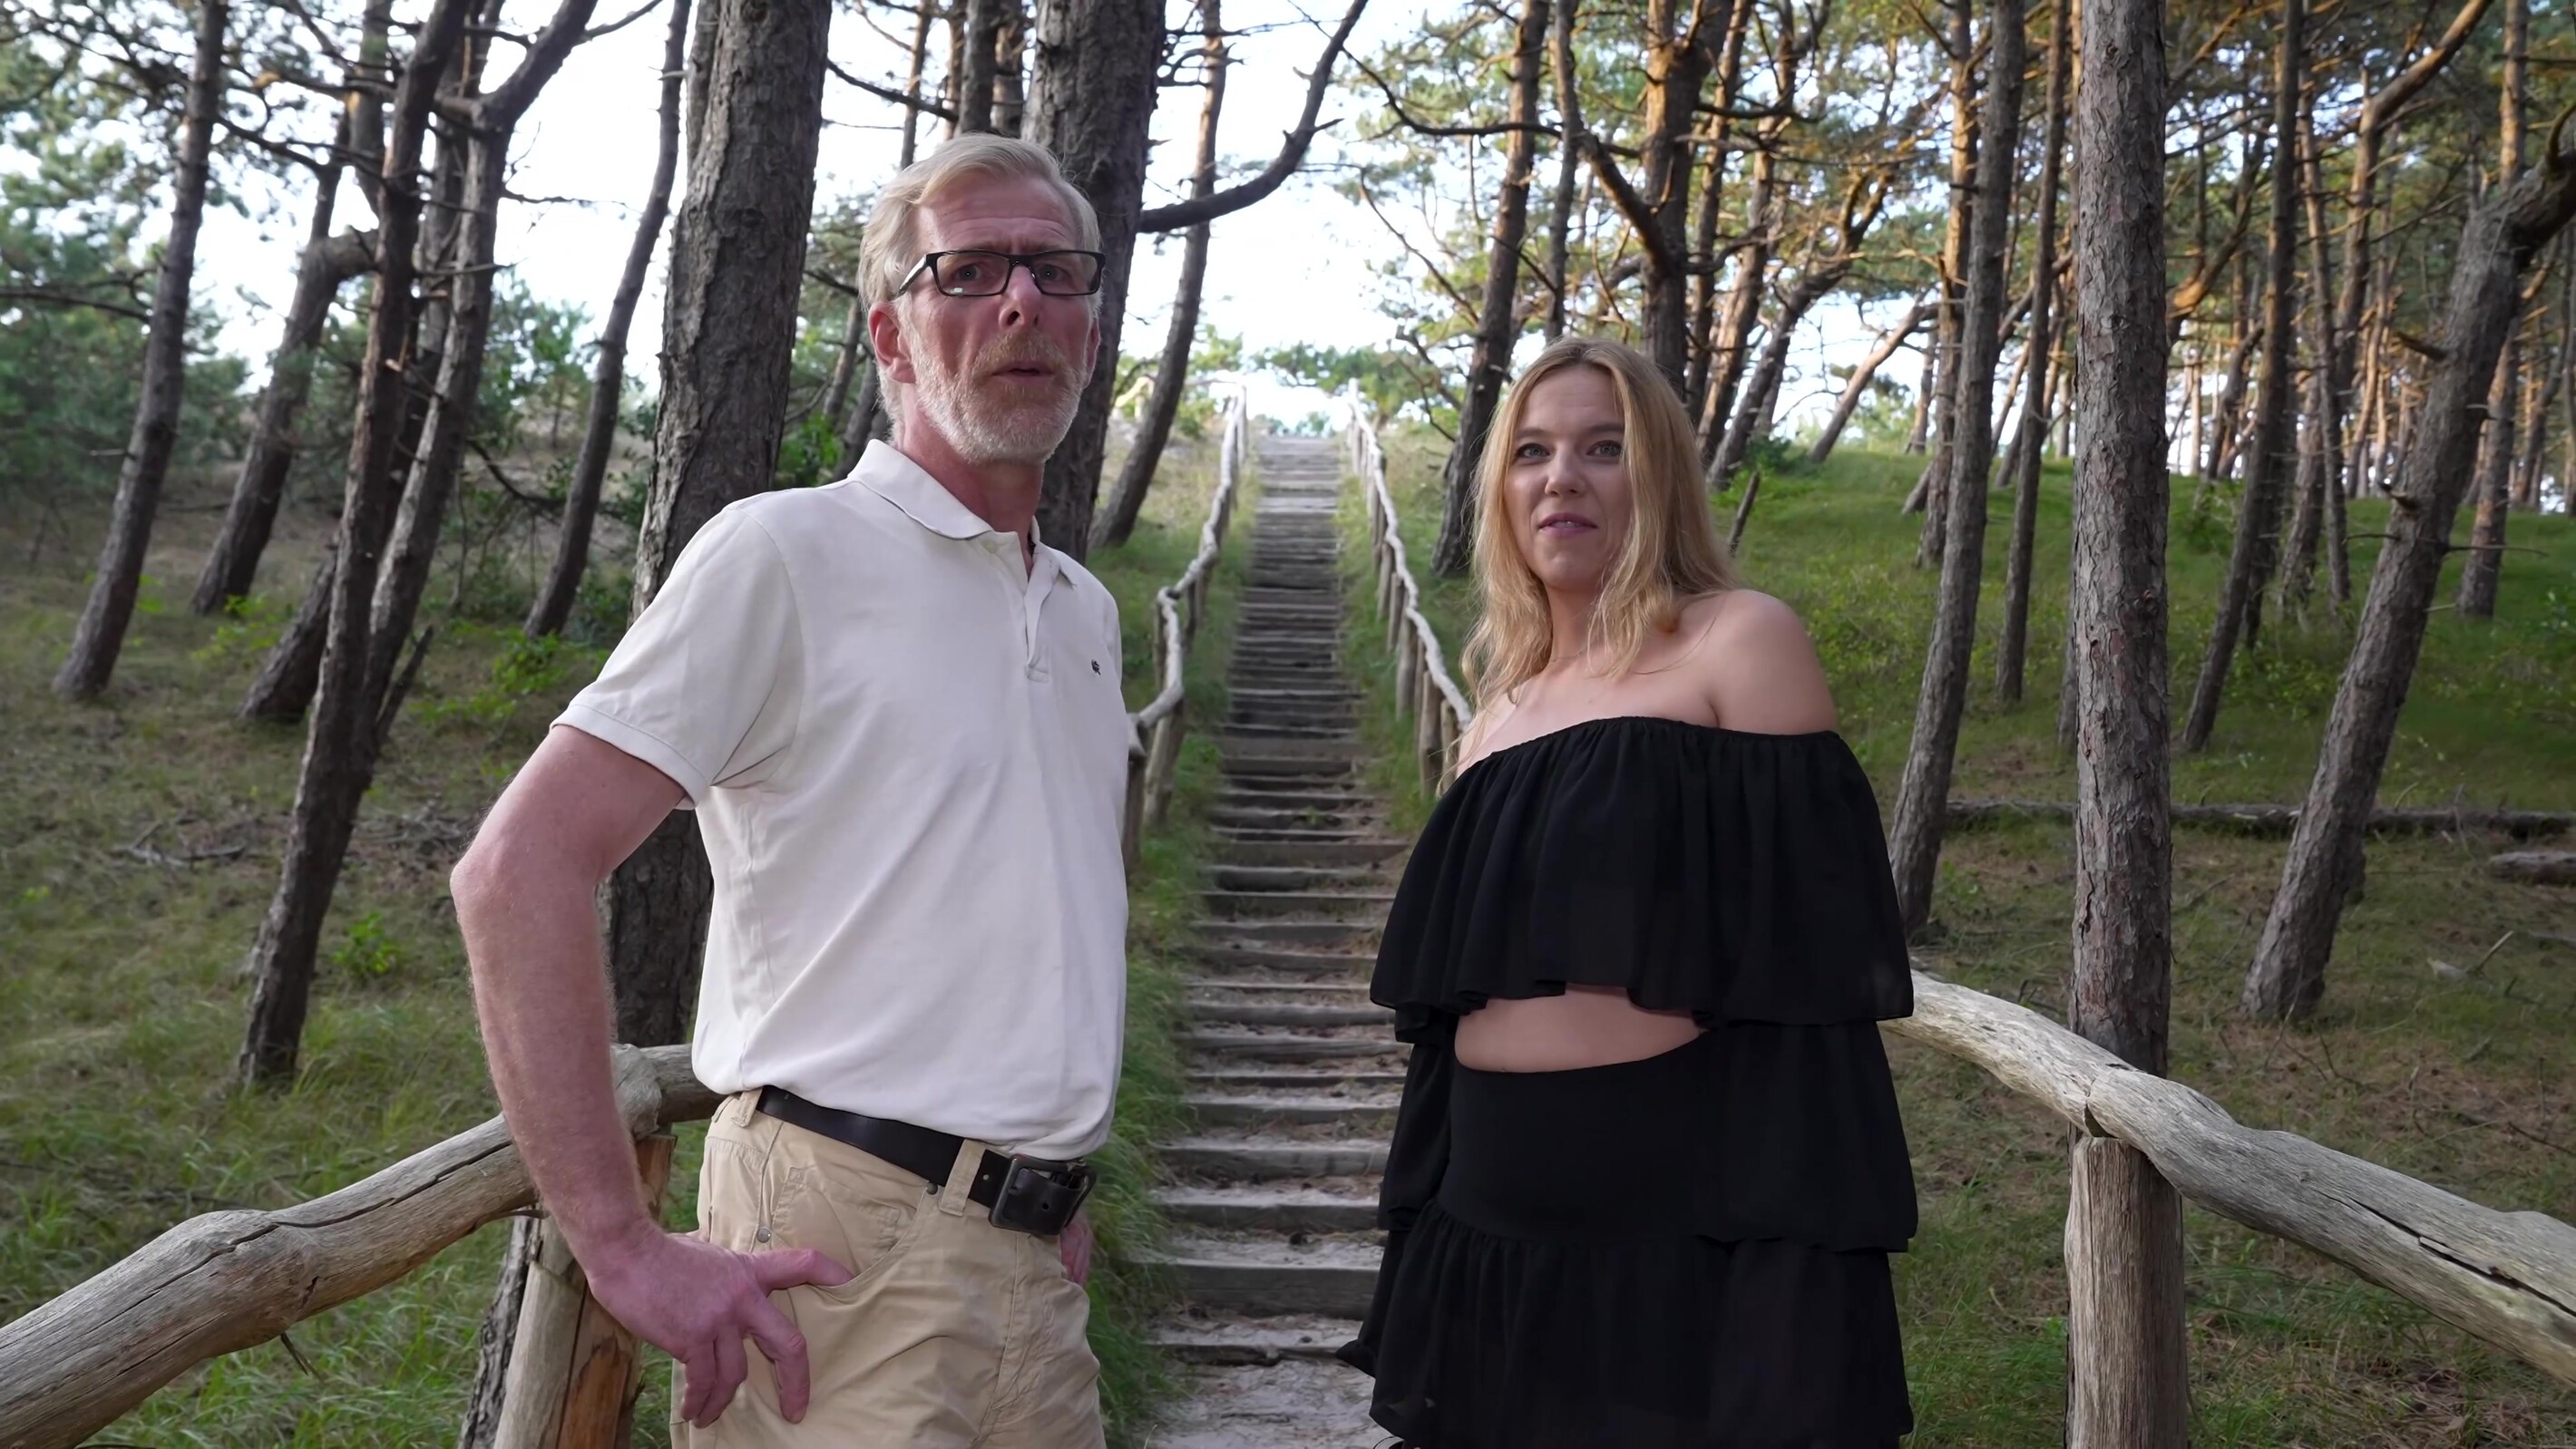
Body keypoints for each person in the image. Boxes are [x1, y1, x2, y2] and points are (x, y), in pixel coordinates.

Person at [452, 134, 1128, 1448]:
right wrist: (618, 1241)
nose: (1021, 302)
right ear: (889, 335)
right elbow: (516, 867)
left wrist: (1047, 1176)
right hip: (837, 1257)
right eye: (969, 272)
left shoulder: (1083, 609)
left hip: (1036, 1278)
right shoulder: (786, 553)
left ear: (1090, 329)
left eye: (1055, 272)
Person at [1336, 336, 1918, 1446]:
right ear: (1499, 488)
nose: (1561, 477)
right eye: (1532, 451)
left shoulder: (1737, 643)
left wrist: (1787, 1272)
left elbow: (1807, 986)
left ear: (1657, 477)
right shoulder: (1496, 713)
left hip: (1672, 1230)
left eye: (1602, 449)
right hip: (1487, 1221)